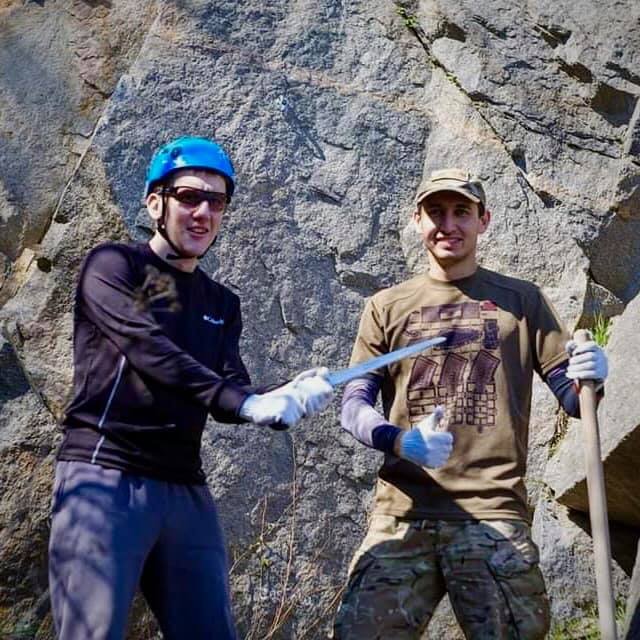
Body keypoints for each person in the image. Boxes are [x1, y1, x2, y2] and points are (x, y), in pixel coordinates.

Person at [48, 136, 334, 640]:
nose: (203, 213)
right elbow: (150, 350)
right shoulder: (114, 266)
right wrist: (246, 402)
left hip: (185, 488)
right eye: (189, 197)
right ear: (154, 203)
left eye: (216, 202)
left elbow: (228, 392)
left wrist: (285, 392)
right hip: (104, 474)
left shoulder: (221, 302)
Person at [332, 169, 608, 639]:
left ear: (484, 220)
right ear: (417, 221)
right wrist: (399, 441)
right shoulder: (386, 306)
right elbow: (353, 405)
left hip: (493, 512)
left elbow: (574, 398)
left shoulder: (522, 301)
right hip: (403, 513)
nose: (448, 224)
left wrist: (591, 376)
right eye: (435, 212)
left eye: (461, 212)